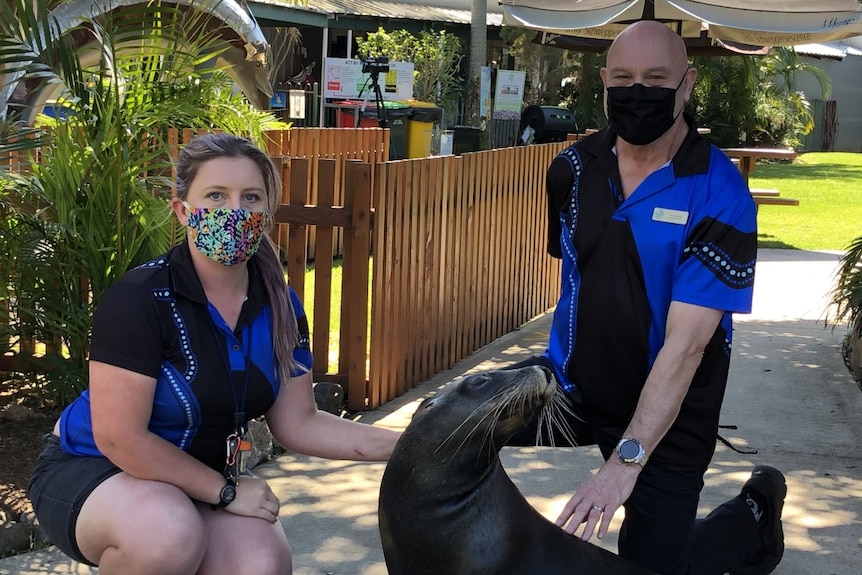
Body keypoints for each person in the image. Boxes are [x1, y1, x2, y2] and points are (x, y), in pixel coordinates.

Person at [27, 133, 401, 574]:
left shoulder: (281, 304)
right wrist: (224, 491)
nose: (235, 211)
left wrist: (426, 444)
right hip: (95, 469)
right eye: (216, 195)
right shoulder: (140, 299)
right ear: (183, 210)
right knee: (167, 533)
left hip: (194, 482)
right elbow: (119, 438)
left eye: (251, 197)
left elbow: (299, 423)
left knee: (260, 561)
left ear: (266, 213)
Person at [507, 21, 786, 575]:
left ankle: (752, 516)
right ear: (604, 82)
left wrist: (624, 463)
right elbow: (584, 284)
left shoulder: (718, 190)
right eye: (624, 78)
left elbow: (685, 347)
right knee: (445, 428)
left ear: (686, 85)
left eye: (656, 78)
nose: (639, 91)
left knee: (653, 566)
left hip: (673, 411)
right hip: (575, 388)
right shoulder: (572, 169)